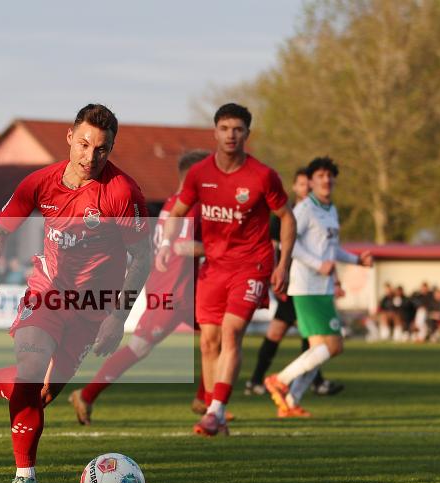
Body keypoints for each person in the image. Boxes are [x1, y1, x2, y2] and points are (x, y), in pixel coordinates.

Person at [0, 104, 152, 483]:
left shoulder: (122, 193)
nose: (90, 157)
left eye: (101, 149)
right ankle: (25, 476)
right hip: (46, 292)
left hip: (93, 309)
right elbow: (0, 230)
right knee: (31, 370)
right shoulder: (40, 182)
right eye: (84, 144)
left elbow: (143, 258)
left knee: (42, 393)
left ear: (111, 149)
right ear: (70, 138)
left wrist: (118, 317)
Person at [156, 103, 296, 437]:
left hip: (252, 265)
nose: (231, 135)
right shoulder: (200, 173)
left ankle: (217, 412)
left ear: (247, 134)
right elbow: (176, 213)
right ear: (215, 132)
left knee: (230, 333)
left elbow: (287, 217)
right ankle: (212, 408)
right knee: (208, 342)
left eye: (238, 129)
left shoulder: (262, 176)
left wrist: (284, 263)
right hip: (214, 267)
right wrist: (165, 246)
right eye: (225, 128)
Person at [66, 150, 210, 425]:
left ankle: (205, 399)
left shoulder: (173, 203)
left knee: (216, 337)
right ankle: (86, 394)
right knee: (140, 348)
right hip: (171, 293)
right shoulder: (189, 207)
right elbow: (183, 247)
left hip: (185, 291)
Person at [265, 157, 372, 416]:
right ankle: (279, 380)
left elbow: (331, 251)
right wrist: (315, 264)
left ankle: (290, 403)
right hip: (307, 286)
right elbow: (288, 242)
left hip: (321, 287)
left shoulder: (330, 209)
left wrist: (357, 259)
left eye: (330, 176)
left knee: (319, 351)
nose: (326, 180)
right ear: (310, 182)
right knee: (334, 346)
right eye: (321, 176)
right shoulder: (304, 209)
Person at [246, 168, 343, 397]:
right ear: (296, 187)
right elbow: (276, 247)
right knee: (283, 334)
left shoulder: (322, 211)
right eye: (302, 184)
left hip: (314, 286)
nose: (307, 188)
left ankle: (296, 393)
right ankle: (265, 380)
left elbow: (329, 249)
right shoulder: (288, 213)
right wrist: (277, 275)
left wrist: (337, 277)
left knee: (316, 341)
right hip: (297, 285)